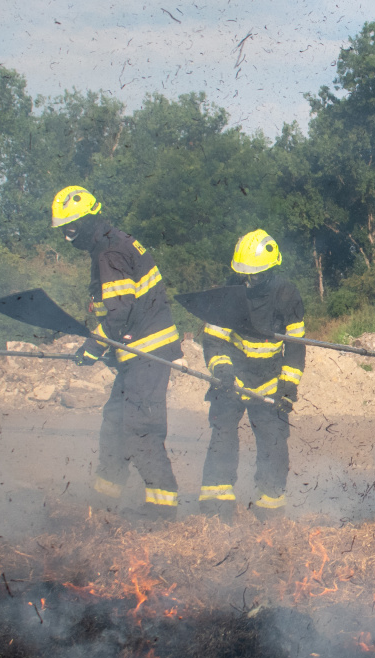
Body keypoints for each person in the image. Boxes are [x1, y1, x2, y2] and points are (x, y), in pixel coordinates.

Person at [51, 185, 183, 518]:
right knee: (114, 423)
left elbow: (118, 310)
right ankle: (104, 502)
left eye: (69, 230)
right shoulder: (114, 243)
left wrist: (93, 348)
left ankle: (162, 510)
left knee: (140, 428)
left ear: (84, 223)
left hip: (147, 354)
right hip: (137, 354)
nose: (68, 238)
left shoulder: (109, 252)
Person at [197, 230, 306, 520]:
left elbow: (296, 346)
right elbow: (214, 338)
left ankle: (269, 510)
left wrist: (288, 387)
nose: (249, 281)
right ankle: (216, 506)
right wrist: (222, 369)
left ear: (271, 270)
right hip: (231, 377)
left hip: (269, 382)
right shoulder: (231, 291)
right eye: (244, 275)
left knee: (273, 442)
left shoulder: (287, 294)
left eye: (255, 276)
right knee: (222, 434)